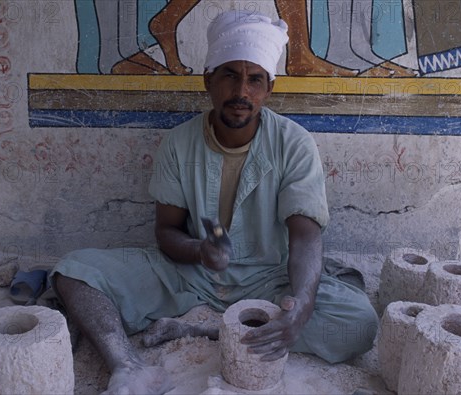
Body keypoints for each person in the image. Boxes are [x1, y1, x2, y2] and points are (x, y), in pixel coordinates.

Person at [51, 10, 379, 394]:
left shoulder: (295, 144)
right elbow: (166, 231)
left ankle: (202, 327)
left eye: (255, 79)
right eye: (229, 75)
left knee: (359, 323)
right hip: (191, 275)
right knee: (74, 271)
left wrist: (302, 304)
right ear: (208, 80)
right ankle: (127, 365)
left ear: (268, 88)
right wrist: (200, 251)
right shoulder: (179, 143)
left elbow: (306, 236)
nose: (242, 92)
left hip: (269, 275)